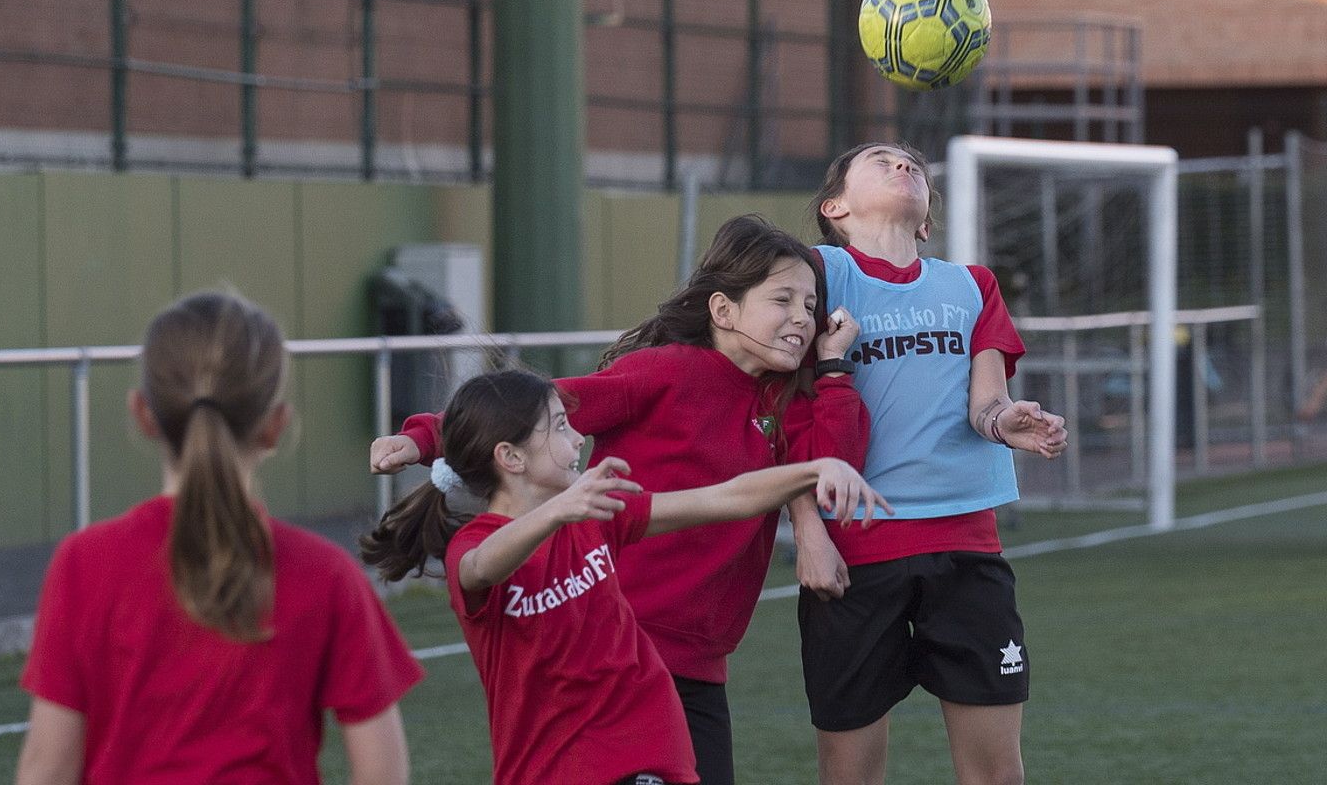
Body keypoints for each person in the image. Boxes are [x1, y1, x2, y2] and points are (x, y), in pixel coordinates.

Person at [370, 213, 870, 784]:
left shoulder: (783, 401)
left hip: (703, 667)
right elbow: (537, 406)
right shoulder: (664, 372)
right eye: (783, 299)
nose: (802, 318)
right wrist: (422, 437)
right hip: (620, 646)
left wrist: (832, 369)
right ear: (724, 311)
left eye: (811, 305)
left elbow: (829, 470)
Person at [16, 291, 422, 785]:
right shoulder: (326, 574)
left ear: (143, 414)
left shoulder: (84, 563)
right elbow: (382, 770)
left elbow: (48, 767)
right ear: (276, 426)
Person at [794, 142, 1069, 785]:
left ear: (926, 220)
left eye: (913, 164)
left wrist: (1009, 423)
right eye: (881, 160)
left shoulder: (971, 284)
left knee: (996, 775)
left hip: (967, 546)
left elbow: (986, 405)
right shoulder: (817, 273)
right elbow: (790, 417)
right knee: (850, 776)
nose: (903, 167)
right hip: (854, 553)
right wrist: (807, 531)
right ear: (834, 207)